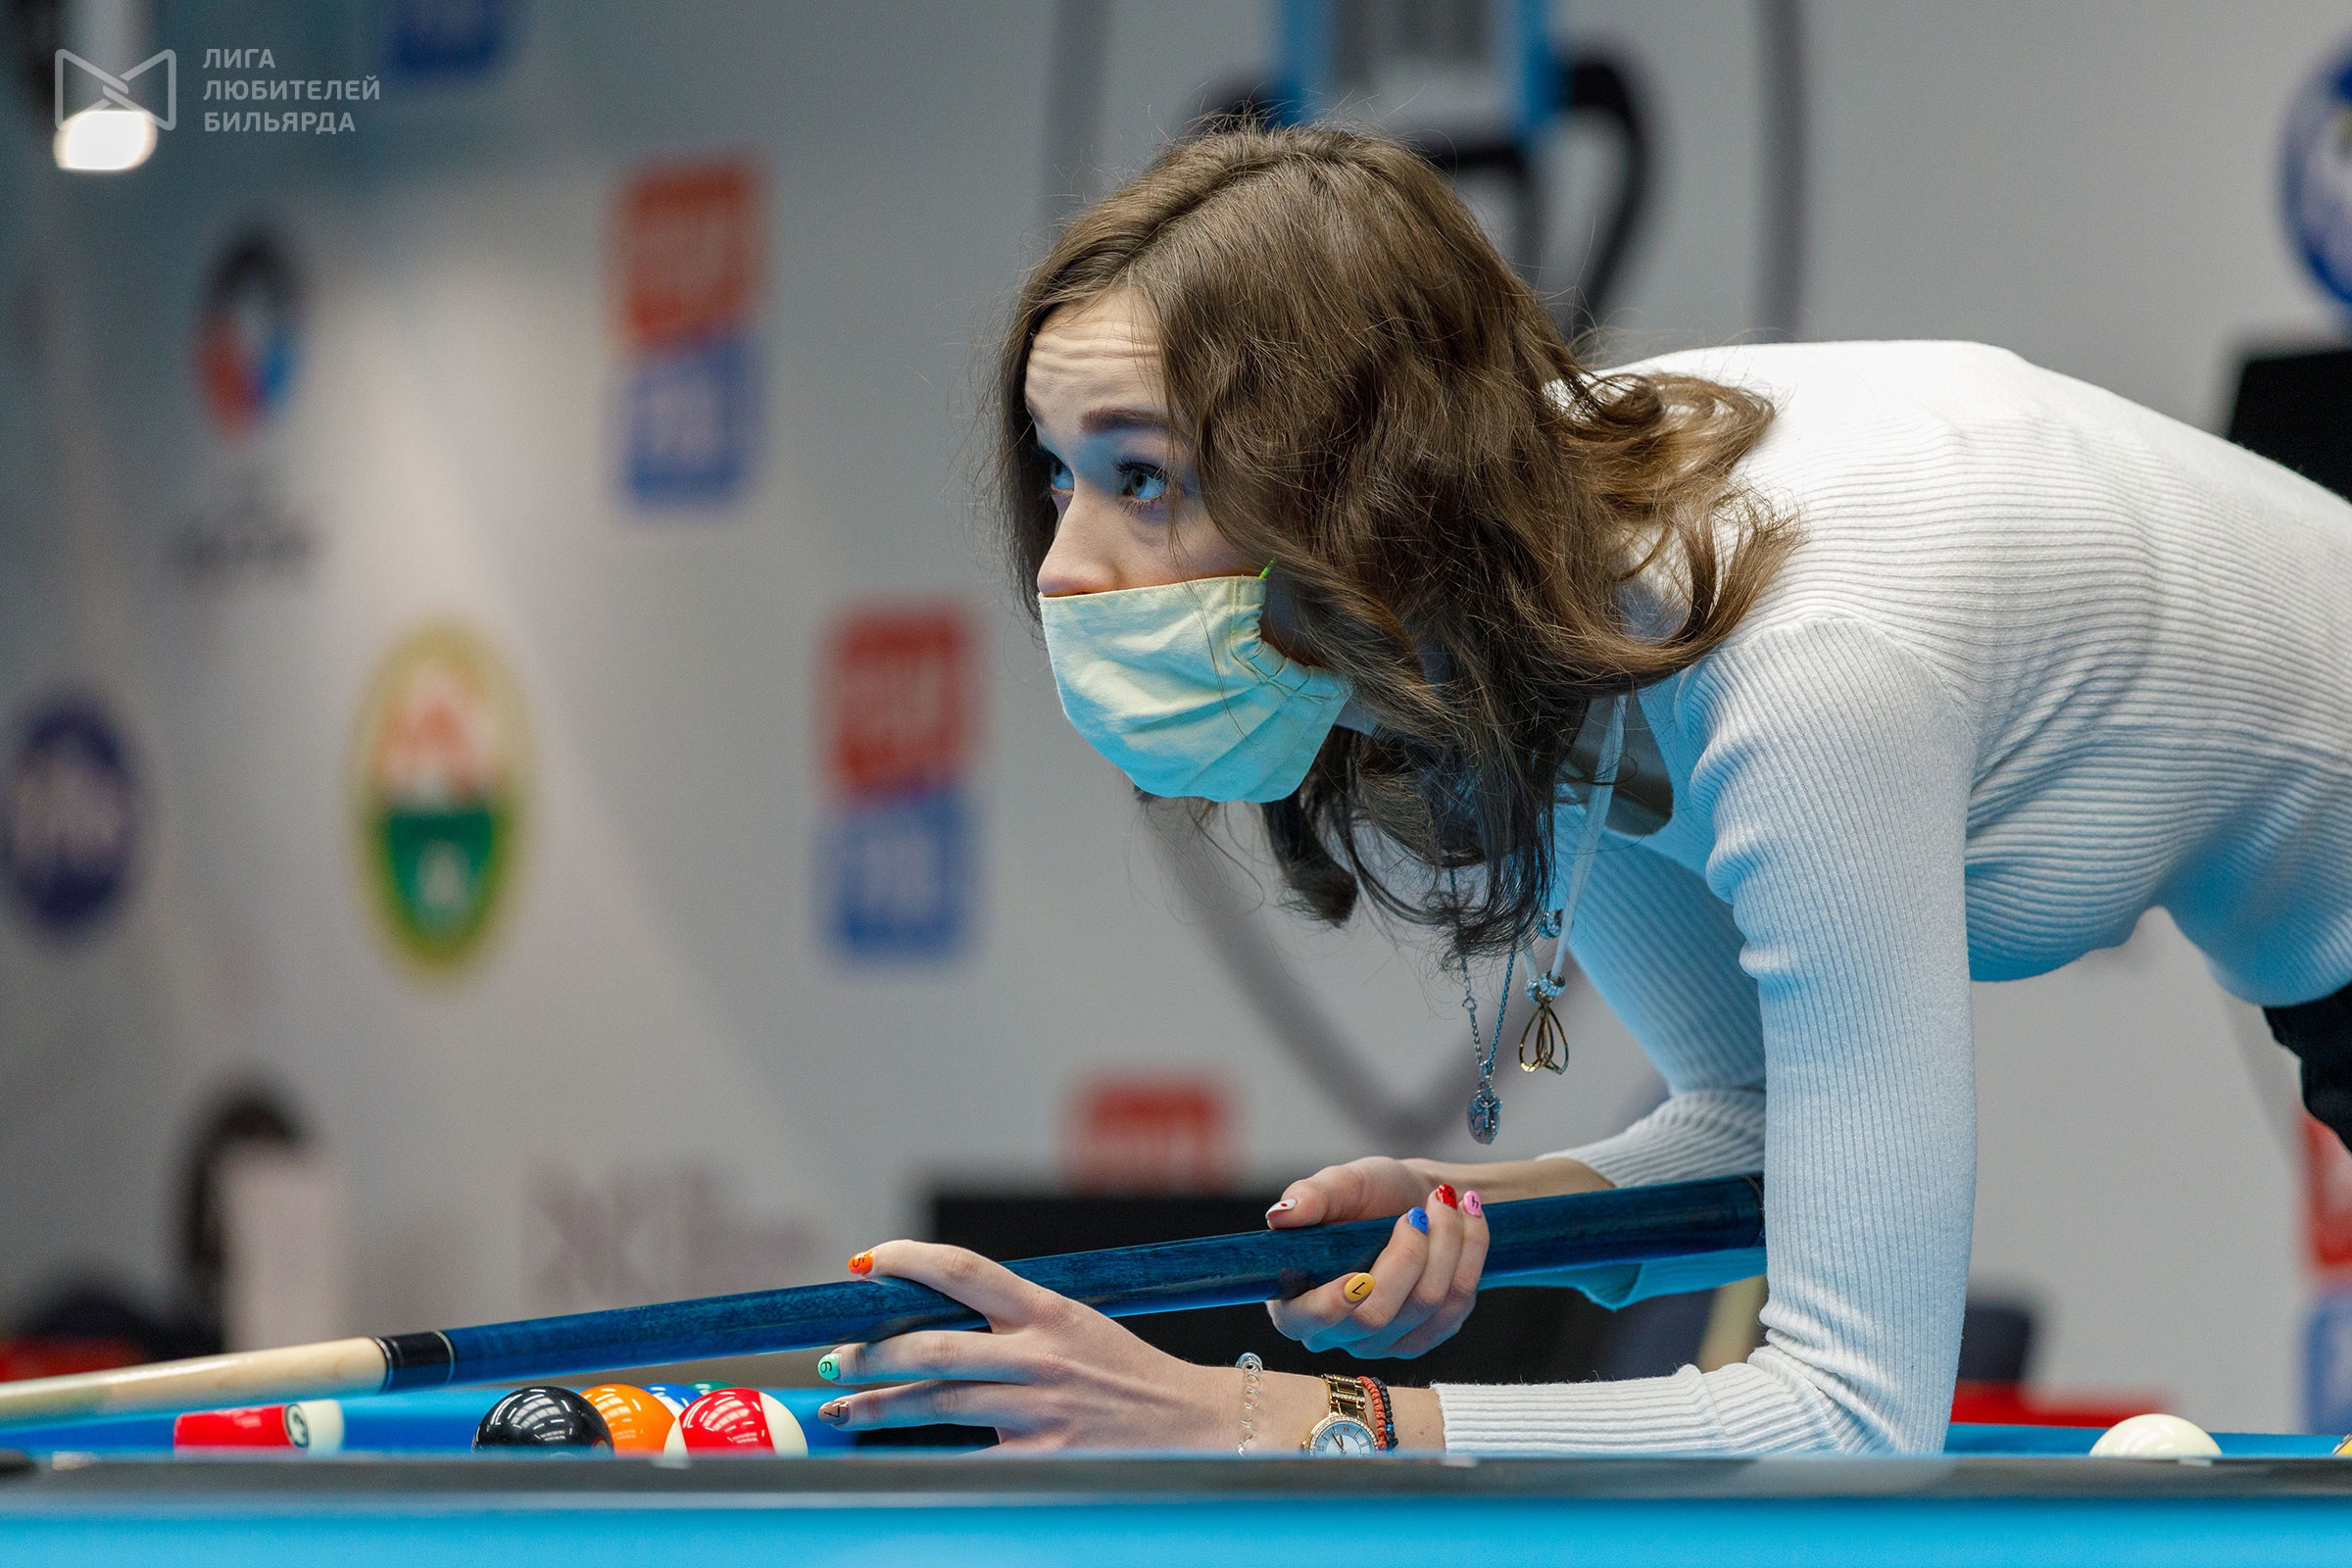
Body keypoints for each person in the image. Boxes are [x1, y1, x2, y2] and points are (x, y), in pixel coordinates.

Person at [808, 124, 2352, 1455]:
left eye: (1140, 476)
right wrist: (1489, 1212)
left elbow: (1851, 1419)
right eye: (1063, 475)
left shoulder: (1807, 667)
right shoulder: (1527, 609)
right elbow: (1764, 1136)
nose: (1066, 565)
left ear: (1354, 469)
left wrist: (1256, 1412)